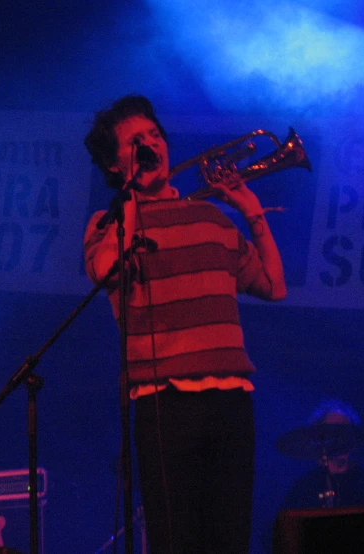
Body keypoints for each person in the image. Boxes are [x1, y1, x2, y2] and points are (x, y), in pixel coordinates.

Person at [83, 94, 287, 553]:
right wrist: (132, 195)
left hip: (233, 400)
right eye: (135, 142)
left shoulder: (212, 216)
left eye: (154, 135)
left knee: (230, 540)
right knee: (176, 542)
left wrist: (252, 213)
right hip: (165, 404)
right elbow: (108, 271)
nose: (151, 144)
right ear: (115, 165)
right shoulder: (110, 224)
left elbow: (274, 286)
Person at [277, 399, 364, 511]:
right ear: (320, 439)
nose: (341, 439)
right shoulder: (304, 488)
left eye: (345, 432)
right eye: (334, 432)